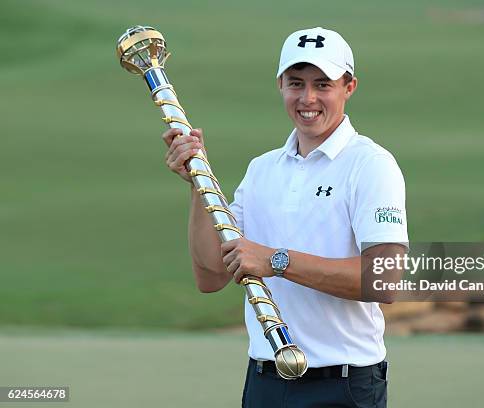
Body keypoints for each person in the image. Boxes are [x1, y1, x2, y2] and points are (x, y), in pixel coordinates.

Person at [162, 27, 408, 408]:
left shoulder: (372, 165)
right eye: (296, 83)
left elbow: (385, 279)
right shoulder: (262, 170)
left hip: (343, 385)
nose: (308, 98)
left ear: (349, 87)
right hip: (265, 380)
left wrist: (277, 261)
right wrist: (199, 183)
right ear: (280, 85)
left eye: (322, 84)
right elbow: (211, 275)